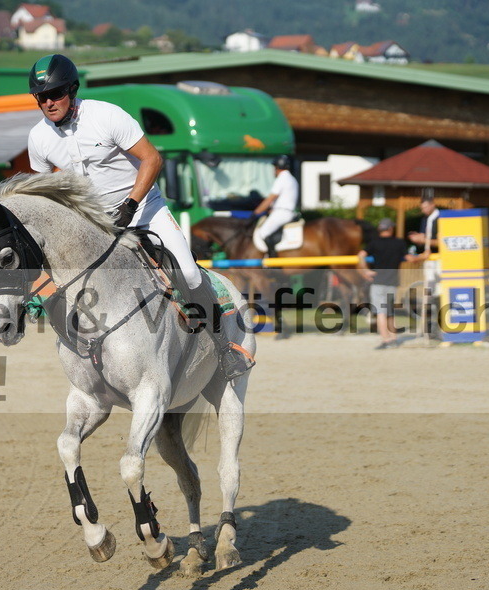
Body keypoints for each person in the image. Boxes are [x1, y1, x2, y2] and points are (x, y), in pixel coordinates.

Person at [26, 53, 253, 379]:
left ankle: (223, 348)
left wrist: (131, 204)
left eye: (55, 94)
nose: (48, 102)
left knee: (188, 274)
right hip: (95, 225)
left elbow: (152, 159)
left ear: (72, 89)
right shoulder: (39, 137)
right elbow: (46, 192)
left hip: (145, 210)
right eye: (41, 97)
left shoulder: (107, 116)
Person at [358, 218, 412, 349]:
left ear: (380, 229)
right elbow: (410, 258)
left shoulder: (374, 243)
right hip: (393, 282)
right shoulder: (399, 243)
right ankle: (393, 338)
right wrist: (423, 256)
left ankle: (386, 340)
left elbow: (361, 254)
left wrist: (366, 271)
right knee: (390, 312)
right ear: (391, 229)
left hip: (378, 282)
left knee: (381, 313)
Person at [251, 154, 300, 256]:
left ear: (277, 167)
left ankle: (272, 260)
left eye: (274, 168)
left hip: (282, 213)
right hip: (286, 211)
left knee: (262, 233)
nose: (274, 170)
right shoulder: (292, 178)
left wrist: (256, 212)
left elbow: (270, 199)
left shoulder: (282, 178)